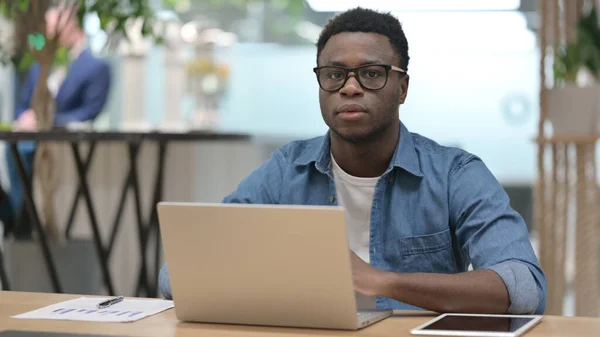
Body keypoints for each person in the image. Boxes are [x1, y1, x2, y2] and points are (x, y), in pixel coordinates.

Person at [158, 7, 546, 315]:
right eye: (334, 74)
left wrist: (381, 282)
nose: (349, 86)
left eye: (371, 73)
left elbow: (524, 287)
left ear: (403, 88)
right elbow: (177, 275)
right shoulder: (285, 170)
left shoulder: (454, 174)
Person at [0, 6, 111, 235]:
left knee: (25, 155)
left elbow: (89, 112)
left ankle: (22, 225)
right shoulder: (39, 65)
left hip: (61, 146)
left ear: (70, 25)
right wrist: (24, 117)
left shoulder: (96, 67)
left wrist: (46, 120)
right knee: (15, 154)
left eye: (53, 29)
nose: (48, 35)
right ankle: (18, 223)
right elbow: (24, 102)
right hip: (26, 141)